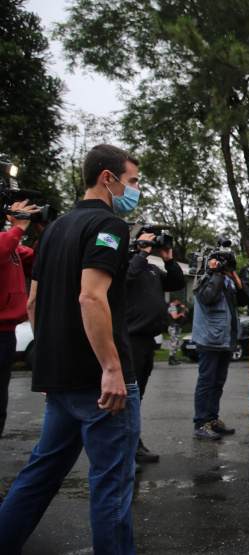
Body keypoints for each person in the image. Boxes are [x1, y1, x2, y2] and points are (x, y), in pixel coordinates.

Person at [0, 144, 142, 554]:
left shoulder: (54, 230)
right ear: (107, 178)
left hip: (60, 378)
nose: (135, 189)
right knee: (111, 486)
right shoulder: (110, 227)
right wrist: (112, 369)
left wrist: (47, 362)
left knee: (40, 473)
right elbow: (91, 298)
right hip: (101, 383)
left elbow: (32, 302)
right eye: (131, 181)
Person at [126, 232, 185, 464]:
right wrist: (141, 252)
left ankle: (133, 445)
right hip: (128, 339)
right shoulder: (126, 265)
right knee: (127, 397)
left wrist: (168, 259)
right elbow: (128, 277)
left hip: (147, 341)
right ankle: (124, 451)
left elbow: (177, 283)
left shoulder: (152, 269)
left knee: (137, 396)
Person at [191, 255, 249, 440]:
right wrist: (215, 273)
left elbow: (245, 299)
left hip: (225, 340)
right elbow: (209, 298)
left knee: (217, 383)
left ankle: (212, 419)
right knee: (206, 382)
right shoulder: (203, 279)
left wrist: (235, 278)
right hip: (209, 340)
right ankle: (200, 423)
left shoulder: (227, 281)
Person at [0, 199, 38, 438]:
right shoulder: (7, 241)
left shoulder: (11, 244)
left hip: (6, 333)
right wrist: (18, 226)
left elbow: (37, 261)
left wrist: (44, 232)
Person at [167, 298, 187, 365]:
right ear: (176, 302)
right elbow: (175, 316)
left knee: (176, 342)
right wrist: (180, 314)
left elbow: (183, 314)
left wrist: (183, 309)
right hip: (174, 327)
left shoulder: (175, 307)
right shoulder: (172, 307)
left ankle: (173, 358)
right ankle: (171, 358)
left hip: (176, 326)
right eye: (179, 302)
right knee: (174, 343)